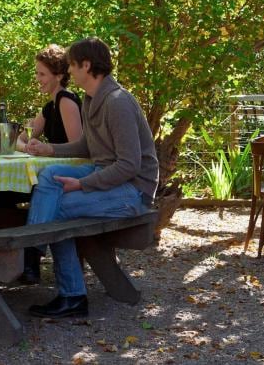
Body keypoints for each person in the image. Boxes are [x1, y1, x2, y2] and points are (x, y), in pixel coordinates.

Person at [25, 37, 159, 319]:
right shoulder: (90, 99)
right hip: (105, 175)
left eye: (72, 65)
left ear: (86, 65)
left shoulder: (118, 102)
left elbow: (129, 165)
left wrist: (82, 184)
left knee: (57, 210)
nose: (69, 71)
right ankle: (32, 254)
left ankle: (72, 295)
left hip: (133, 191)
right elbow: (87, 146)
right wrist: (50, 150)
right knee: (49, 175)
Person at [12, 44, 83, 284]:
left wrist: (48, 149)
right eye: (37, 73)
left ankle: (30, 259)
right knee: (8, 197)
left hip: (71, 176)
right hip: (51, 174)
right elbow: (19, 140)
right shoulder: (49, 106)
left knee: (38, 188)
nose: (37, 79)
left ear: (59, 76)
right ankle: (26, 260)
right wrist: (30, 147)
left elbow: (78, 147)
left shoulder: (66, 101)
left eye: (42, 74)